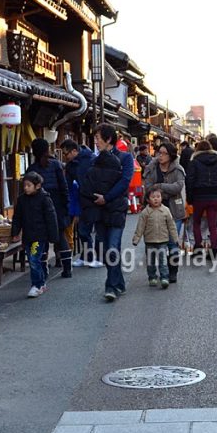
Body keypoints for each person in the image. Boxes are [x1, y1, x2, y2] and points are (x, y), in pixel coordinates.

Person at [80, 123, 134, 301]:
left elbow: (125, 181)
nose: (95, 141)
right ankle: (120, 283)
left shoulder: (125, 158)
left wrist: (107, 197)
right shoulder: (95, 160)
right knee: (104, 249)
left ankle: (111, 287)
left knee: (112, 246)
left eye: (97, 138)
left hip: (117, 208)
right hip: (99, 210)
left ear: (108, 139)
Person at [10, 172, 59, 298]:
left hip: (39, 236)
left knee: (33, 260)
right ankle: (41, 283)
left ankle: (36, 285)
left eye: (28, 185)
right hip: (27, 236)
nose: (25, 188)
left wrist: (53, 236)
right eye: (24, 185)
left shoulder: (44, 198)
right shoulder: (21, 200)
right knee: (35, 260)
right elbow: (17, 217)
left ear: (37, 186)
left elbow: (51, 218)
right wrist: (15, 232)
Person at [142, 141, 186, 283]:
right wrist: (158, 191)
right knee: (157, 242)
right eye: (159, 152)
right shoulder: (152, 168)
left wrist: (160, 186)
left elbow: (177, 187)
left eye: (164, 153)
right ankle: (158, 272)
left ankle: (172, 271)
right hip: (155, 211)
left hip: (174, 210)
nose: (160, 156)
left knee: (172, 242)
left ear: (171, 155)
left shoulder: (178, 169)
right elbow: (148, 188)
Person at [28, 138, 72, 278]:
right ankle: (67, 269)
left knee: (42, 239)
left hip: (39, 207)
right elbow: (64, 187)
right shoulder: (56, 165)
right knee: (60, 236)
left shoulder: (32, 169)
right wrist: (66, 205)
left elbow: (29, 193)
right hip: (57, 205)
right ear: (47, 149)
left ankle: (43, 270)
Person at [60, 139, 100, 268]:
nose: (65, 157)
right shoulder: (72, 164)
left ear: (74, 151)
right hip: (82, 199)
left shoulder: (91, 159)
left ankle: (92, 257)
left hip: (94, 198)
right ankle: (86, 257)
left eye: (66, 154)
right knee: (83, 230)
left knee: (86, 230)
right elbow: (67, 183)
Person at [132, 186, 179, 288]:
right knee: (150, 261)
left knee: (163, 261)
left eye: (158, 196)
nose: (156, 199)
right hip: (150, 241)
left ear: (161, 198)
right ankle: (152, 277)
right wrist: (136, 239)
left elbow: (171, 226)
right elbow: (140, 226)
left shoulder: (166, 210)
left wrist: (175, 239)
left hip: (163, 240)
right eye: (153, 197)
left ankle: (164, 278)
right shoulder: (145, 212)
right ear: (148, 199)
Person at [185, 139, 217, 258]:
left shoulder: (194, 161)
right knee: (212, 224)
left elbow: (190, 180)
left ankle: (198, 248)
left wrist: (189, 197)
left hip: (199, 196)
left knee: (196, 222)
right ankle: (213, 250)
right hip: (214, 195)